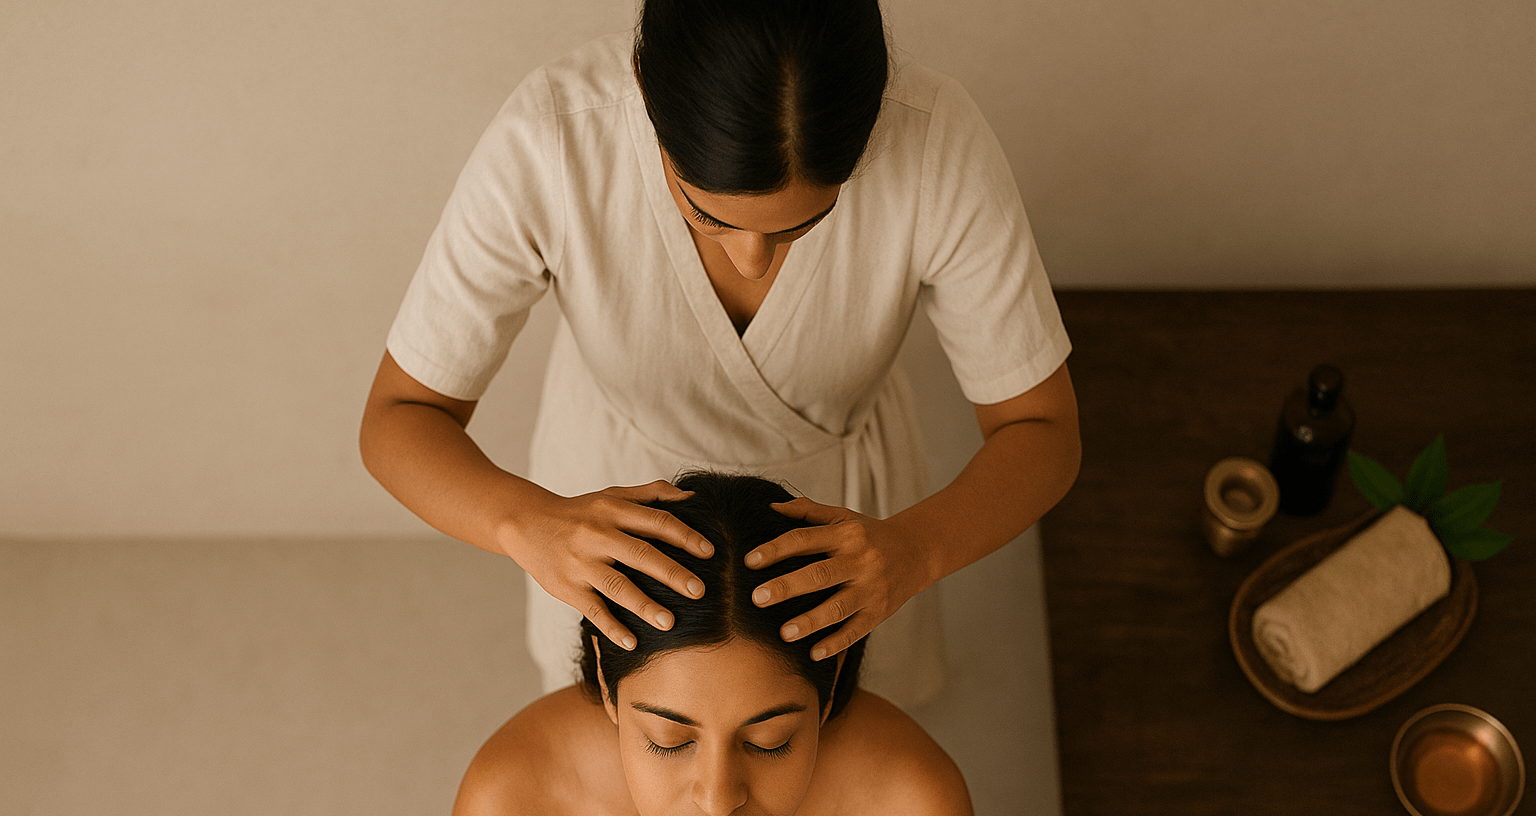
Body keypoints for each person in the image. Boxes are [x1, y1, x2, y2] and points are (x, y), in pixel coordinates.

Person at [360, 0, 1080, 706]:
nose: (753, 260)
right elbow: (400, 416)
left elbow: (1042, 430)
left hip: (849, 531)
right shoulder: (552, 141)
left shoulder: (936, 143)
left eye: (806, 223)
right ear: (645, 90)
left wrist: (913, 550)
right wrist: (528, 524)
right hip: (611, 521)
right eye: (706, 214)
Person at [449, 473, 977, 816]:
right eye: (668, 740)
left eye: (768, 741)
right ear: (608, 682)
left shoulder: (918, 811)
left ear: (828, 685)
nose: (718, 802)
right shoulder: (509, 798)